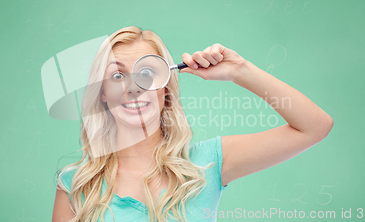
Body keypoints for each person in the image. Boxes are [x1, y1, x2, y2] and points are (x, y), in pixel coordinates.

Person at [51, 26, 333, 222]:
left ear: (166, 90)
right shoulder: (76, 184)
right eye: (116, 76)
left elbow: (315, 126)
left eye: (147, 73)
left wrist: (239, 70)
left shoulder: (208, 164)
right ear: (102, 94)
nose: (133, 88)